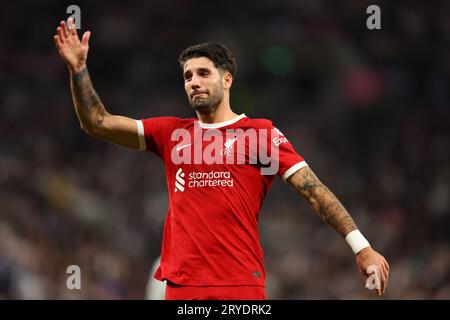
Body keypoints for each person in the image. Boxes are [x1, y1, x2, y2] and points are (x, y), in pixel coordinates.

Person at [54, 18, 389, 300]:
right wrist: (79, 70)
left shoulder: (259, 135)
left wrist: (361, 246)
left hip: (239, 285)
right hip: (182, 287)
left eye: (203, 73)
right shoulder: (171, 133)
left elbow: (314, 190)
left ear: (227, 80)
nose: (194, 83)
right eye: (187, 76)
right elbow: (97, 123)